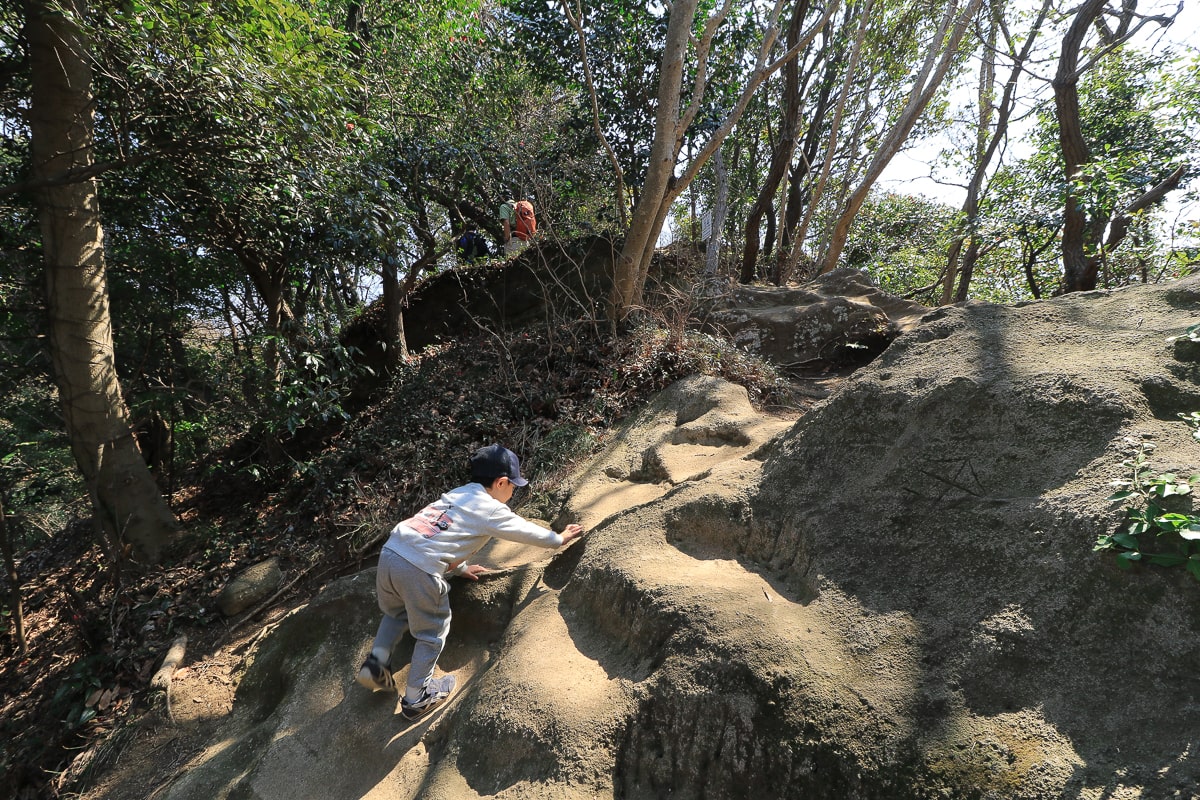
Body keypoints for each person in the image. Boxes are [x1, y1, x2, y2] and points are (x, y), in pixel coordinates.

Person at [356, 443, 585, 720]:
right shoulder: (490, 509)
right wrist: (557, 539)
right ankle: (417, 696)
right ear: (501, 482)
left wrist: (460, 567)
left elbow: (440, 532)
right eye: (513, 486)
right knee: (431, 631)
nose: (513, 492)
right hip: (419, 569)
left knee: (396, 612)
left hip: (392, 552)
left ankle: (376, 666)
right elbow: (523, 531)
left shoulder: (457, 495)